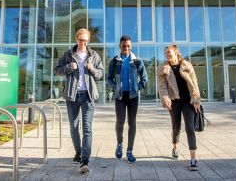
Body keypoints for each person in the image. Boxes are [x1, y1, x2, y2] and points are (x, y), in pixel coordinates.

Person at [54, 28, 103, 173]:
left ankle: (85, 159)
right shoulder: (69, 54)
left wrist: (92, 69)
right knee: (74, 127)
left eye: (86, 40)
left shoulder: (94, 55)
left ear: (89, 40)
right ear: (77, 39)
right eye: (81, 40)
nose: (83, 42)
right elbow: (57, 70)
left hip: (88, 96)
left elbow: (100, 74)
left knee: (87, 127)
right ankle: (78, 152)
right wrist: (69, 67)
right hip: (72, 96)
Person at [157, 44, 201, 171]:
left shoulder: (186, 65)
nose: (167, 54)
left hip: (188, 101)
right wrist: (166, 99)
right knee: (176, 127)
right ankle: (175, 148)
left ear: (175, 52)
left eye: (169, 52)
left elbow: (195, 83)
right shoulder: (164, 68)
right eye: (166, 53)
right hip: (174, 101)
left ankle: (193, 159)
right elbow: (162, 87)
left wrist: (196, 99)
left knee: (190, 128)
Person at [107, 36, 148, 164]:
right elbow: (109, 78)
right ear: (120, 46)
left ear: (131, 46)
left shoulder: (137, 60)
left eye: (128, 46)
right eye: (124, 45)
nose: (126, 48)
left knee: (132, 122)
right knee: (120, 121)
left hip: (133, 97)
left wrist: (138, 87)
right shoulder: (114, 61)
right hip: (119, 96)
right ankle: (119, 144)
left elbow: (145, 77)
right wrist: (115, 86)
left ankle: (130, 150)